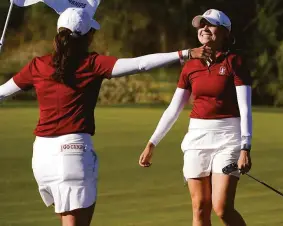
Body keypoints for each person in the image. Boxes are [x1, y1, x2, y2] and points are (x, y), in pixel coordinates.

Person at [0, 7, 212, 226]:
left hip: (41, 157)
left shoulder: (38, 65)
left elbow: (1, 93)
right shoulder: (92, 63)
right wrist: (185, 53)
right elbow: (139, 64)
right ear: (88, 36)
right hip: (72, 152)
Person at [139, 9, 252, 226]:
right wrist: (152, 142)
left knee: (222, 208)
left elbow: (245, 108)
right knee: (200, 208)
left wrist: (245, 147)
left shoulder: (234, 62)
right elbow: (173, 108)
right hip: (197, 139)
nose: (204, 29)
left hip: (228, 138)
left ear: (225, 33)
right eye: (201, 25)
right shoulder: (190, 66)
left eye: (210, 25)